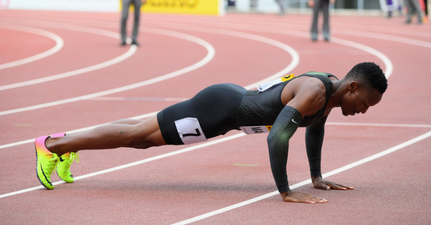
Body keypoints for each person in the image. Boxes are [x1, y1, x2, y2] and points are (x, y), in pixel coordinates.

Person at [35, 62, 388, 204]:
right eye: (366, 103)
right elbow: (277, 136)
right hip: (217, 110)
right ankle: (52, 145)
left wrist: (316, 176)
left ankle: (63, 145)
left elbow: (314, 131)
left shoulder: (327, 93)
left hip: (224, 110)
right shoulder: (315, 90)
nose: (364, 111)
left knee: (139, 134)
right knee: (138, 137)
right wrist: (286, 191)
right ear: (354, 87)